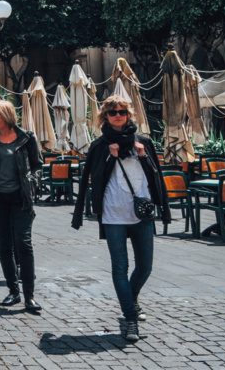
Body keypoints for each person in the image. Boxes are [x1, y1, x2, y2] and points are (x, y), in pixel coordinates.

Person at [72, 95, 170, 343]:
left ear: (129, 116)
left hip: (142, 214)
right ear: (105, 116)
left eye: (122, 112)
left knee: (145, 267)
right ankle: (130, 318)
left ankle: (131, 298)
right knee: (120, 267)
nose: (118, 116)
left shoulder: (143, 142)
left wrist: (144, 156)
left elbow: (156, 178)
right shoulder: (99, 145)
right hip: (113, 214)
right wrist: (108, 156)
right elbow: (91, 180)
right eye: (113, 112)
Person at [0, 100, 43, 313]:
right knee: (4, 244)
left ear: (7, 117)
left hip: (21, 197)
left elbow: (38, 165)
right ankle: (13, 290)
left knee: (23, 244)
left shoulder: (26, 138)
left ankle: (29, 296)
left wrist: (32, 182)